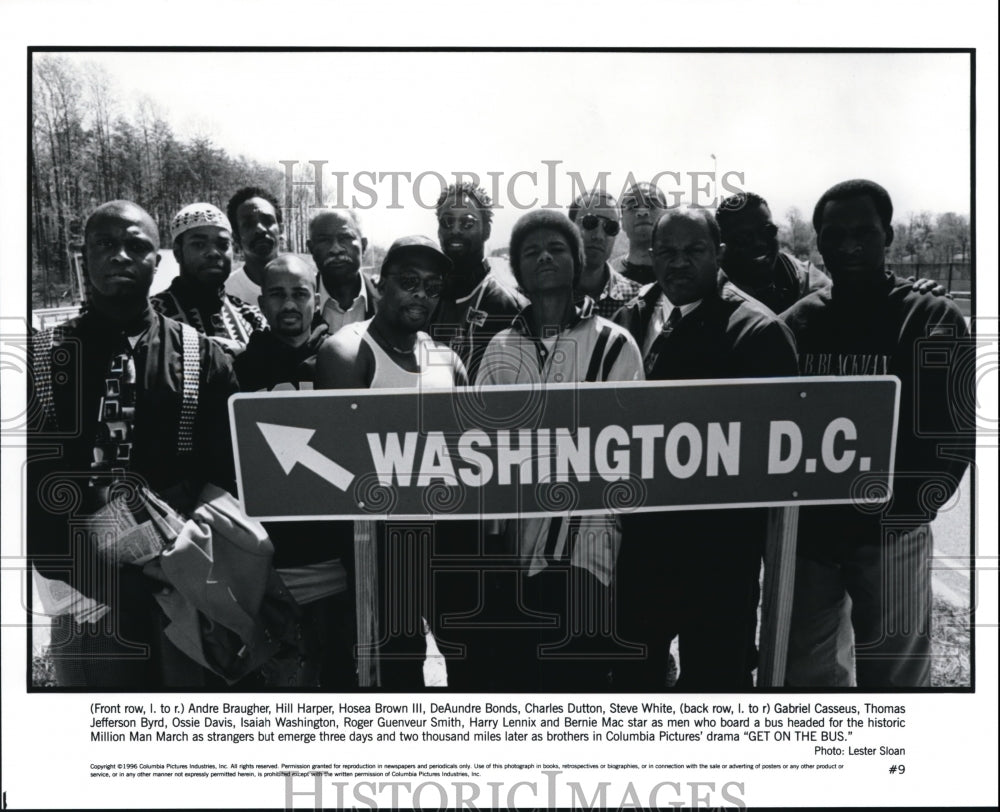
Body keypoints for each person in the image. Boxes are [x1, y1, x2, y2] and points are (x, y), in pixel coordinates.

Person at [28, 200, 240, 688]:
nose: (120, 256)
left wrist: (180, 564)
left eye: (136, 246)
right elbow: (29, 490)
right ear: (84, 258)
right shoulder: (42, 362)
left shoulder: (202, 358)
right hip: (84, 590)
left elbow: (225, 479)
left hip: (183, 583)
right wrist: (97, 580)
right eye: (105, 244)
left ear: (157, 261)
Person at [782, 179, 973, 688]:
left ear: (887, 234)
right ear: (816, 242)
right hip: (811, 538)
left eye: (862, 232)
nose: (848, 245)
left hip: (890, 535)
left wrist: (909, 511)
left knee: (898, 682)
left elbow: (953, 434)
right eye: (833, 234)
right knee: (806, 677)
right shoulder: (797, 324)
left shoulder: (931, 316)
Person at [613, 207, 799, 690]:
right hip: (638, 546)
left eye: (694, 251)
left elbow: (772, 456)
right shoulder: (627, 319)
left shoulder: (756, 331)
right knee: (633, 682)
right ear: (651, 257)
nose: (679, 263)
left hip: (718, 554)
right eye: (667, 253)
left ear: (718, 255)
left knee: (716, 685)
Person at [478, 210, 644, 691]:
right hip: (516, 548)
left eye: (556, 248)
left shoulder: (616, 345)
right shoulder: (501, 348)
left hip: (588, 549)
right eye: (531, 252)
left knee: (579, 681)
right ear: (517, 271)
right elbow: (489, 455)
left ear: (577, 261)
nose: (545, 257)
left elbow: (624, 451)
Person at [316, 236, 468, 689]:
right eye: (408, 281)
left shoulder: (447, 360)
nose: (421, 293)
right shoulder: (348, 351)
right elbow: (344, 463)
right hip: (377, 542)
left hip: (444, 537)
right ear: (381, 286)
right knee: (397, 665)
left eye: (432, 286)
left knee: (468, 652)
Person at [232, 255, 354, 688]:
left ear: (315, 300)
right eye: (278, 294)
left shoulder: (343, 361)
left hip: (337, 565)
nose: (289, 304)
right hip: (271, 571)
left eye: (299, 294)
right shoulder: (239, 370)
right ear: (261, 303)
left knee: (341, 687)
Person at [428, 182, 525, 381]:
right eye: (447, 222)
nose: (455, 230)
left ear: (486, 231)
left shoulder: (509, 305)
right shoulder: (426, 298)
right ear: (438, 230)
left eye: (467, 223)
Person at [151, 202, 266, 352]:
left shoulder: (252, 317)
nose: (213, 252)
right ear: (178, 252)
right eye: (199, 244)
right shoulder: (151, 316)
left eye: (223, 245)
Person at [716, 191, 832, 314]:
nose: (759, 243)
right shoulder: (709, 296)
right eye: (743, 238)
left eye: (768, 231)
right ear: (722, 249)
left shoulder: (806, 280)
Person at [568, 189, 640, 318]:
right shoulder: (539, 291)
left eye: (610, 227)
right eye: (590, 223)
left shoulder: (636, 299)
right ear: (568, 227)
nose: (599, 236)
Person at [306, 209, 379, 333]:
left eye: (345, 237)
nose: (336, 249)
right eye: (324, 240)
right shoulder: (298, 301)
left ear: (364, 245)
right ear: (311, 248)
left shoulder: (386, 301)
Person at [224, 186, 283, 303]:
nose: (260, 229)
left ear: (281, 229)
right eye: (248, 224)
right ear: (236, 236)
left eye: (267, 221)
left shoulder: (308, 283)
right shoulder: (225, 294)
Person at [610, 181, 669, 286]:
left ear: (667, 217)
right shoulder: (608, 277)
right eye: (633, 207)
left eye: (652, 205)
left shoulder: (679, 273)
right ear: (622, 222)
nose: (642, 212)